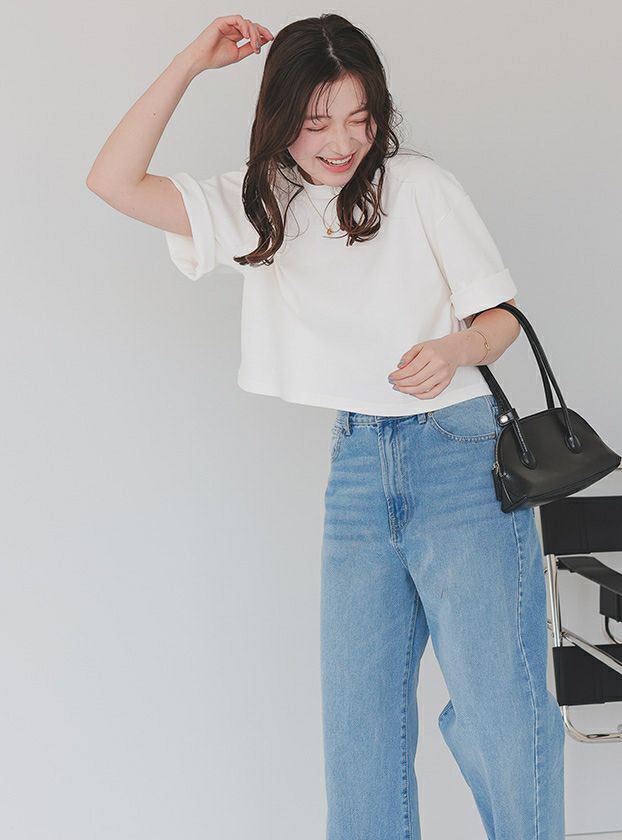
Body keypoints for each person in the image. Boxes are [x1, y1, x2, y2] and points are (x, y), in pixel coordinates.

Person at [86, 12, 565, 839]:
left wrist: (454, 349)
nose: (341, 142)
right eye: (316, 122)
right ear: (280, 120)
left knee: (500, 709)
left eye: (359, 117)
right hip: (357, 467)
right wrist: (192, 61)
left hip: (458, 454)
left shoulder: (419, 187)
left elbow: (501, 318)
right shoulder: (261, 202)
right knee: (359, 730)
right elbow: (114, 181)